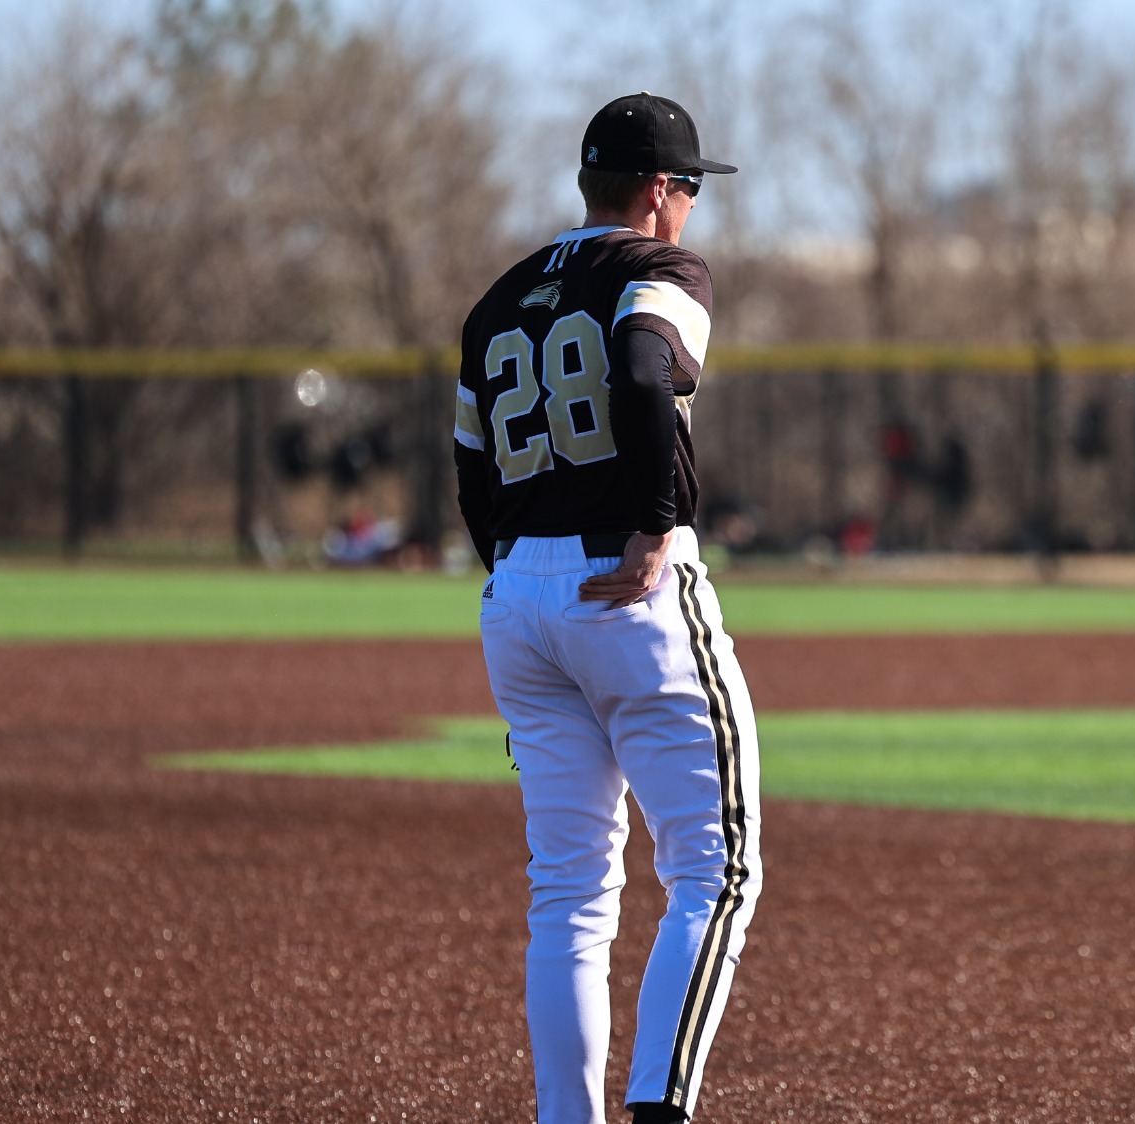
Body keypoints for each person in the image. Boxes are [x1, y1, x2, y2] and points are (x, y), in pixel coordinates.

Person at [452, 92, 760, 1124]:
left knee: (571, 894)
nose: (689, 209)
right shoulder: (658, 268)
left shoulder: (497, 298)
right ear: (659, 194)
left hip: (519, 600)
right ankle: (658, 1110)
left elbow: (468, 460)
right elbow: (639, 367)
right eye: (688, 188)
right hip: (623, 592)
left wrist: (507, 565)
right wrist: (654, 516)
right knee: (716, 869)